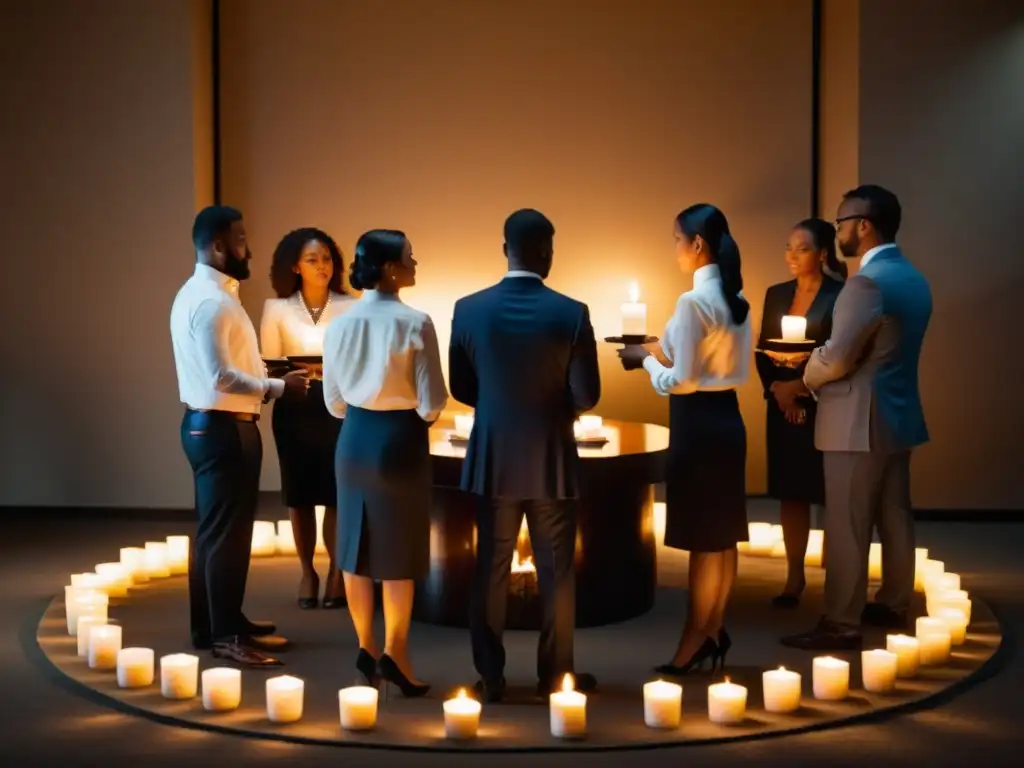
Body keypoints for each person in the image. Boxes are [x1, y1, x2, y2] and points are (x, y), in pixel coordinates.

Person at [449, 209, 601, 703]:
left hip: (493, 456)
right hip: (552, 458)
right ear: (546, 252)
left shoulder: (468, 308)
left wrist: (499, 403)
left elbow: (462, 387)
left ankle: (490, 679)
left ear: (504, 249)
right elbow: (587, 396)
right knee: (557, 572)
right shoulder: (571, 312)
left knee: (489, 571)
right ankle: (556, 677)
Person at [780, 185, 932, 651]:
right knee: (894, 514)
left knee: (847, 523)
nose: (838, 229)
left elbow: (838, 358)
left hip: (855, 421)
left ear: (863, 225)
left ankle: (840, 622)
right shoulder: (913, 277)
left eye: (842, 222)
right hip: (898, 415)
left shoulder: (865, 284)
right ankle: (893, 601)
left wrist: (798, 381)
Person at [170, 205, 309, 667]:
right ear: (218, 246)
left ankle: (214, 624)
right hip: (224, 429)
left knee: (214, 534)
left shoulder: (198, 294)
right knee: (227, 536)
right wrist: (278, 387)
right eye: (242, 240)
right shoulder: (213, 301)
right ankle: (226, 635)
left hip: (208, 425)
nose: (248, 248)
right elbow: (218, 377)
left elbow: (225, 368)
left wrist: (267, 370)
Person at [618, 204, 752, 675]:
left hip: (697, 424)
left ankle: (694, 638)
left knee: (702, 540)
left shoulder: (693, 303)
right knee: (724, 537)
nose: (674, 249)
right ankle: (714, 628)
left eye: (676, 240)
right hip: (728, 422)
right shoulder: (737, 300)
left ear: (697, 244)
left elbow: (685, 380)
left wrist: (645, 362)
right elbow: (719, 364)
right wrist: (657, 350)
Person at [322, 229, 448, 697]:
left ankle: (366, 647)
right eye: (410, 258)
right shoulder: (415, 321)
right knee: (399, 554)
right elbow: (432, 402)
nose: (416, 264)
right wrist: (415, 412)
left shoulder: (339, 323)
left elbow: (333, 401)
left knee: (354, 547)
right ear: (392, 269)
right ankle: (398, 654)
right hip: (400, 440)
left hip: (352, 437)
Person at [261, 227, 354, 610]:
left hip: (337, 405)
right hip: (296, 405)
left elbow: (352, 359)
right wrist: (297, 372)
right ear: (296, 266)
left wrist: (321, 368)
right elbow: (272, 362)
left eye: (327, 259)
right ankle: (306, 571)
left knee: (335, 492)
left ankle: (335, 570)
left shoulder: (351, 305)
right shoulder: (277, 308)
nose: (322, 266)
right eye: (312, 260)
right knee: (298, 494)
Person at [755, 219, 845, 607]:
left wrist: (801, 391)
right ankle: (794, 576)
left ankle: (839, 574)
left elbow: (840, 353)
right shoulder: (776, 294)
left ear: (822, 253)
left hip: (823, 405)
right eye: (788, 247)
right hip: (781, 406)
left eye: (801, 248)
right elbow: (763, 349)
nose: (791, 255)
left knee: (830, 491)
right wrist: (778, 391)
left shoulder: (840, 296)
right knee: (791, 493)